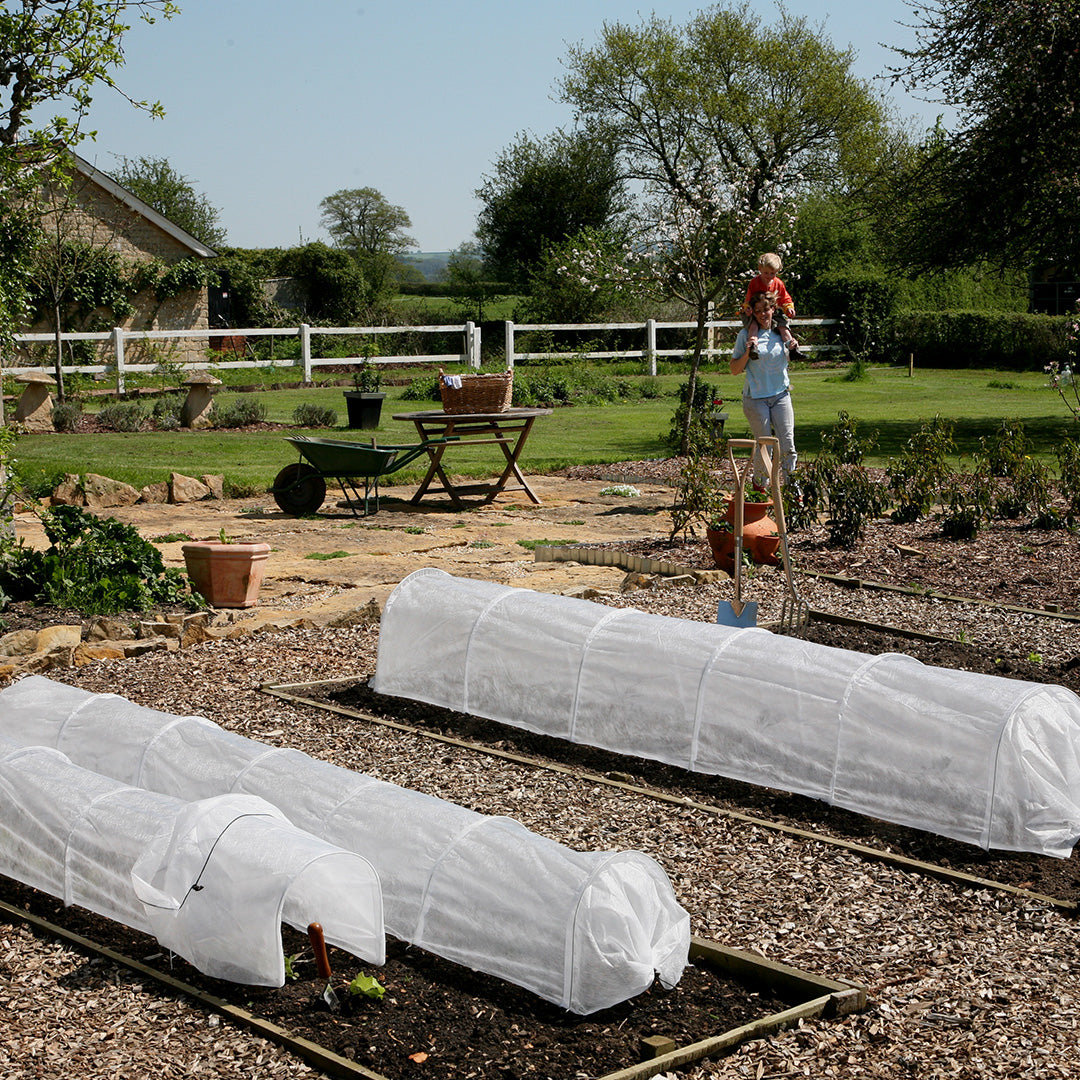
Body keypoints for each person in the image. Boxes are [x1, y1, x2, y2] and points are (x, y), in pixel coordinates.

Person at [730, 291, 797, 484]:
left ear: (773, 309)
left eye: (765, 310)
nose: (762, 314)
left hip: (780, 395)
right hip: (756, 398)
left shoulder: (781, 332)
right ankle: (759, 487)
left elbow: (788, 358)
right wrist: (748, 352)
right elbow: (734, 369)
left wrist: (793, 347)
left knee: (788, 445)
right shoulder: (746, 335)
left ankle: (792, 487)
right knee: (765, 446)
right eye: (757, 311)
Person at [741, 252, 803, 360]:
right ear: (760, 269)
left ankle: (792, 347)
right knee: (753, 326)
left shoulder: (778, 283)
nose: (769, 276)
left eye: (772, 273)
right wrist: (747, 308)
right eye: (766, 273)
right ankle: (753, 346)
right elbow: (749, 298)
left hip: (772, 311)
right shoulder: (754, 283)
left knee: (783, 327)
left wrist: (788, 308)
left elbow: (785, 298)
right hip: (756, 311)